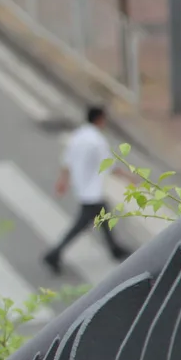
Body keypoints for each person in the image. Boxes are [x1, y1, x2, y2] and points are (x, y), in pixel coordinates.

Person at [42, 105, 132, 274]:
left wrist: (63, 181)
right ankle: (54, 254)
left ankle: (114, 248)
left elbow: (67, 161)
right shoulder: (97, 141)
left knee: (104, 217)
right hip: (93, 191)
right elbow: (110, 165)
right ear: (99, 119)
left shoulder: (78, 136)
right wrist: (130, 177)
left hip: (82, 187)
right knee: (81, 225)